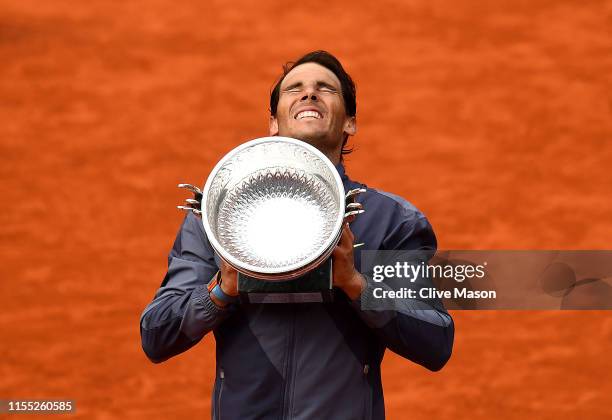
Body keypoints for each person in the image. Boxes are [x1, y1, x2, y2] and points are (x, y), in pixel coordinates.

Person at [140, 50, 454, 420]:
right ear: (273, 122)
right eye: (295, 88)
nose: (309, 94)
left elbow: (435, 342)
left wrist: (356, 284)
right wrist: (221, 290)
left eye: (325, 88)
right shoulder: (217, 218)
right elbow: (156, 335)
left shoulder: (391, 221)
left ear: (350, 122)